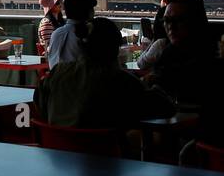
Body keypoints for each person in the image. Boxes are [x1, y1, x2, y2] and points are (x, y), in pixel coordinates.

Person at [37, 18, 173, 135]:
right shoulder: (122, 81)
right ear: (115, 49)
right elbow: (166, 108)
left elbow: (40, 103)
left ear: (81, 45)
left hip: (59, 155)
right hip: (108, 160)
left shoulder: (58, 73)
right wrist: (153, 84)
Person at [147, 0, 222, 110]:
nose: (171, 26)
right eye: (167, 20)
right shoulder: (170, 51)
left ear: (195, 22)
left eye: (178, 20)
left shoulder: (211, 59)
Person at [46, 0, 97, 69]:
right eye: (92, 9)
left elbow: (53, 64)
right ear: (87, 12)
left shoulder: (59, 33)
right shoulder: (93, 32)